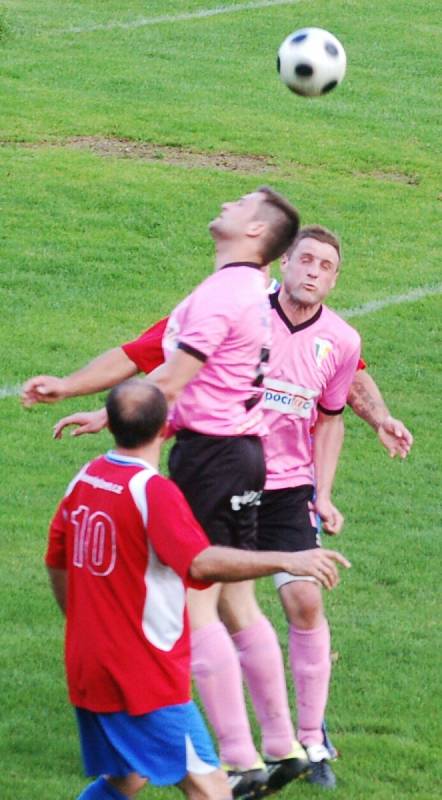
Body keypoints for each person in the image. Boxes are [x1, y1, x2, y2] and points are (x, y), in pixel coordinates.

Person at [37, 185, 312, 799]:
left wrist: (111, 416)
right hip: (241, 455)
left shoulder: (223, 294)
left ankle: (235, 763)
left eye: (242, 202)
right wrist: (83, 392)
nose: (228, 203)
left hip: (210, 458)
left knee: (194, 604)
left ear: (255, 233)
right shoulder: (244, 290)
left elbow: (174, 377)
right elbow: (147, 352)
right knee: (237, 605)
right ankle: (279, 746)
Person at [46, 379, 351, 800]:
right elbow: (201, 562)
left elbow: (57, 562)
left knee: (127, 777)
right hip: (142, 673)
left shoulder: (85, 478)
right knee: (211, 789)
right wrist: (287, 558)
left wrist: (82, 625)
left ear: (112, 425)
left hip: (87, 661)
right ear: (163, 428)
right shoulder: (154, 493)